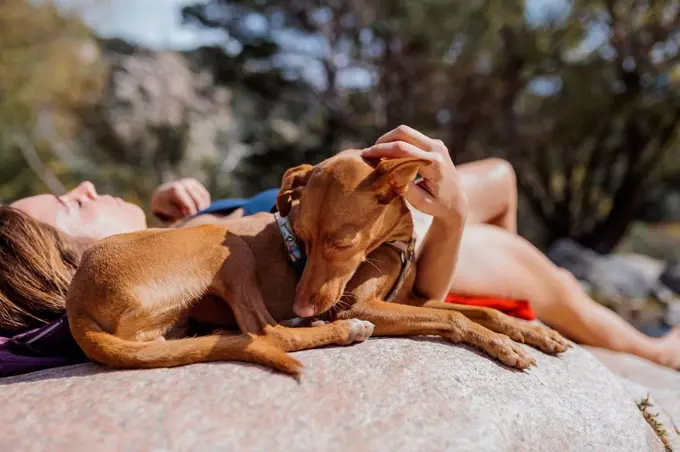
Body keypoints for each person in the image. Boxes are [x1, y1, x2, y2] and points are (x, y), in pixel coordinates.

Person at [1, 125, 678, 372]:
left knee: (504, 187)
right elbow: (417, 298)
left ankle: (577, 306)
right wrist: (453, 221)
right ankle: (643, 348)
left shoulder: (168, 239)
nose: (85, 186)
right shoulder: (139, 264)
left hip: (342, 221)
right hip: (419, 256)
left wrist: (178, 207)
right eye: (71, 206)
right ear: (71, 261)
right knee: (510, 214)